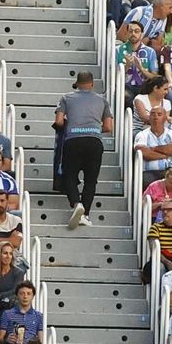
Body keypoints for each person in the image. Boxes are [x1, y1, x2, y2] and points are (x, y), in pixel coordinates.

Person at [54, 70, 112, 229]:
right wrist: (92, 129)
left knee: (69, 176)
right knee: (91, 181)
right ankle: (85, 214)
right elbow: (108, 126)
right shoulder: (102, 100)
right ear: (92, 84)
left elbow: (59, 121)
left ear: (77, 84)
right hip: (94, 141)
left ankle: (76, 203)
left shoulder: (66, 98)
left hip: (73, 141)